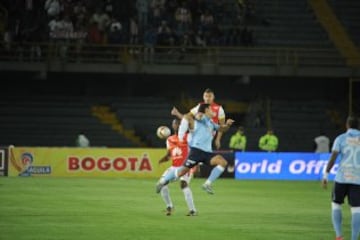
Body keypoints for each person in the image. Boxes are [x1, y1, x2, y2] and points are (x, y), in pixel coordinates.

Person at [156, 103, 234, 195]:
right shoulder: (200, 118)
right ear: (206, 111)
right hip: (196, 151)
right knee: (182, 171)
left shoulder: (211, 123)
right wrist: (198, 115)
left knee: (222, 162)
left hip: (207, 153)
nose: (213, 111)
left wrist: (228, 125)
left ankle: (207, 184)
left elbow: (222, 129)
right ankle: (162, 181)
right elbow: (189, 117)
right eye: (211, 109)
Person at [322, 115, 360, 240]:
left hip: (342, 178)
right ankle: (354, 238)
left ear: (347, 125)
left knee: (336, 204)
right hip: (357, 179)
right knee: (356, 209)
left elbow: (333, 158)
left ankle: (339, 236)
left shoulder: (341, 138)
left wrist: (326, 174)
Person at [157, 119, 197, 216]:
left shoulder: (188, 137)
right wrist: (163, 159)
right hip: (174, 167)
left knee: (183, 184)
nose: (176, 125)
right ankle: (169, 206)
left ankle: (192, 210)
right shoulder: (169, 139)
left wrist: (197, 165)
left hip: (186, 166)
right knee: (162, 183)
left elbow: (195, 150)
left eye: (179, 123)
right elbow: (169, 155)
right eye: (174, 123)